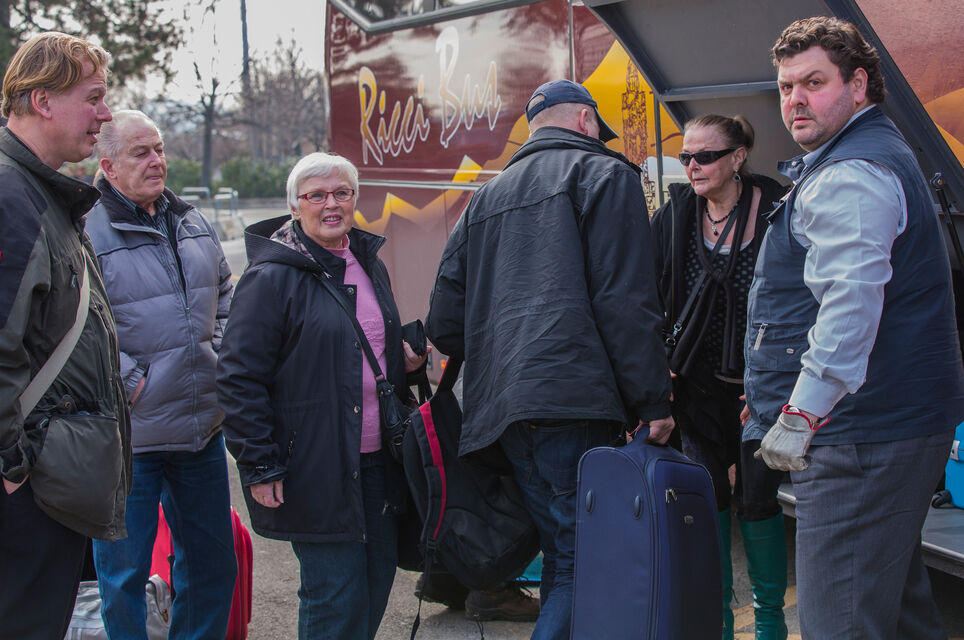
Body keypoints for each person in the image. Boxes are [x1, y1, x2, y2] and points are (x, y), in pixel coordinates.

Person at [425, 79, 673, 639]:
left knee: (566, 555)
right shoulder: (606, 174)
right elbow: (626, 301)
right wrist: (653, 400)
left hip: (503, 412)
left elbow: (444, 322)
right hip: (575, 402)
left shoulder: (485, 197)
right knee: (586, 559)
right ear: (585, 120)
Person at [744, 16, 964, 639]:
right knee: (895, 613)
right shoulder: (861, 156)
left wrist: (801, 413)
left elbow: (849, 306)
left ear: (859, 84)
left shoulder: (850, 172)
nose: (795, 99)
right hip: (883, 428)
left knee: (841, 624)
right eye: (786, 86)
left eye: (813, 83)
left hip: (860, 436)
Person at [217, 152, 427, 640]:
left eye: (341, 193)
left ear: (355, 199)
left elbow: (360, 347)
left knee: (376, 582)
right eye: (316, 195)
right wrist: (260, 464)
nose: (331, 204)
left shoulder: (368, 262)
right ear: (295, 207)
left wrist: (405, 362)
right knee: (335, 595)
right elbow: (238, 378)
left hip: (379, 459)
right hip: (315, 464)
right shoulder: (270, 278)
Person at [85, 110, 238, 639]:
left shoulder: (191, 220)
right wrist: (132, 382)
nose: (156, 161)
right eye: (140, 153)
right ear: (108, 166)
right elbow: (77, 323)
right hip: (129, 438)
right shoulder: (84, 229)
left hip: (201, 430)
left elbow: (226, 293)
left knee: (212, 566)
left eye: (159, 149)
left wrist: (216, 353)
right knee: (123, 577)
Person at [0, 32, 131, 639]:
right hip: (25, 489)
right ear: (42, 101)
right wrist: (12, 466)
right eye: (94, 97)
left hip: (42, 479)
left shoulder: (35, 192)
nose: (105, 115)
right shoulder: (12, 197)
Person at [651, 114, 788, 640]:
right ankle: (720, 626)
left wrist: (777, 382)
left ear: (737, 158)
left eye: (705, 156)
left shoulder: (776, 209)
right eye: (686, 156)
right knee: (708, 501)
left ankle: (771, 623)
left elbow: (799, 301)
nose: (693, 166)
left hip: (760, 385)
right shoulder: (675, 215)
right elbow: (648, 296)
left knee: (757, 502)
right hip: (696, 386)